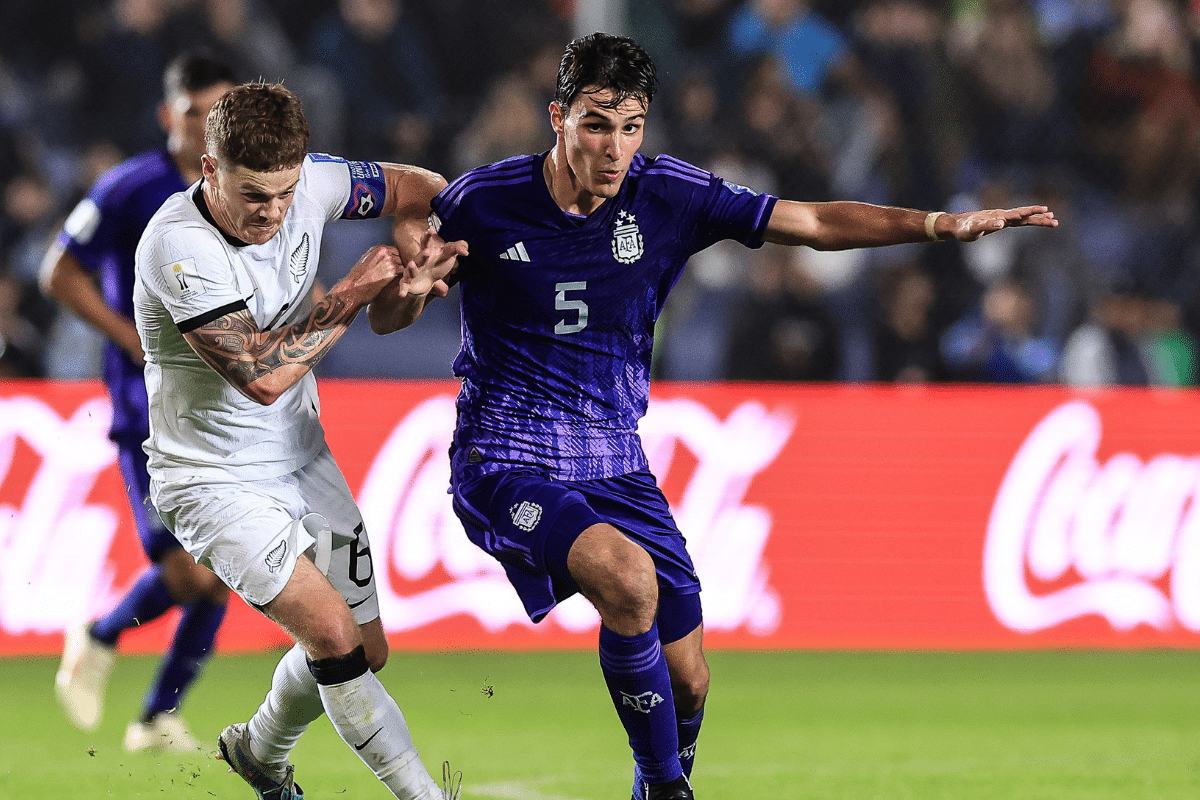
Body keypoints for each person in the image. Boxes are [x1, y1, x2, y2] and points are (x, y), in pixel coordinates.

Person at [370, 32, 1058, 800]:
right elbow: (391, 320)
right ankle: (670, 793)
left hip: (616, 462)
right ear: (557, 117)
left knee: (689, 680)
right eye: (596, 124)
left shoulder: (668, 195)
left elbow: (815, 224)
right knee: (629, 583)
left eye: (631, 127)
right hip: (505, 454)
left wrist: (936, 226)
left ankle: (653, 781)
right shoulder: (485, 201)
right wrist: (406, 289)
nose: (614, 147)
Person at [132, 81, 465, 800]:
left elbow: (420, 183)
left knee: (365, 652)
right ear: (209, 168)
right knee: (333, 636)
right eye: (255, 195)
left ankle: (259, 750)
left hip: (302, 456)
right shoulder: (176, 247)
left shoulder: (310, 182)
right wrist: (351, 291)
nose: (274, 213)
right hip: (211, 479)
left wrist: (410, 238)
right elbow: (257, 374)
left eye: (286, 193)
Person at [44, 49, 237, 753]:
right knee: (188, 573)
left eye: (218, 113)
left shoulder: (240, 191)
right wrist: (127, 334)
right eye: (193, 114)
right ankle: (98, 635)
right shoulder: (132, 186)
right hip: (146, 406)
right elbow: (57, 271)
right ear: (168, 116)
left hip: (220, 406)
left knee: (219, 571)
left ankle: (157, 717)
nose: (204, 129)